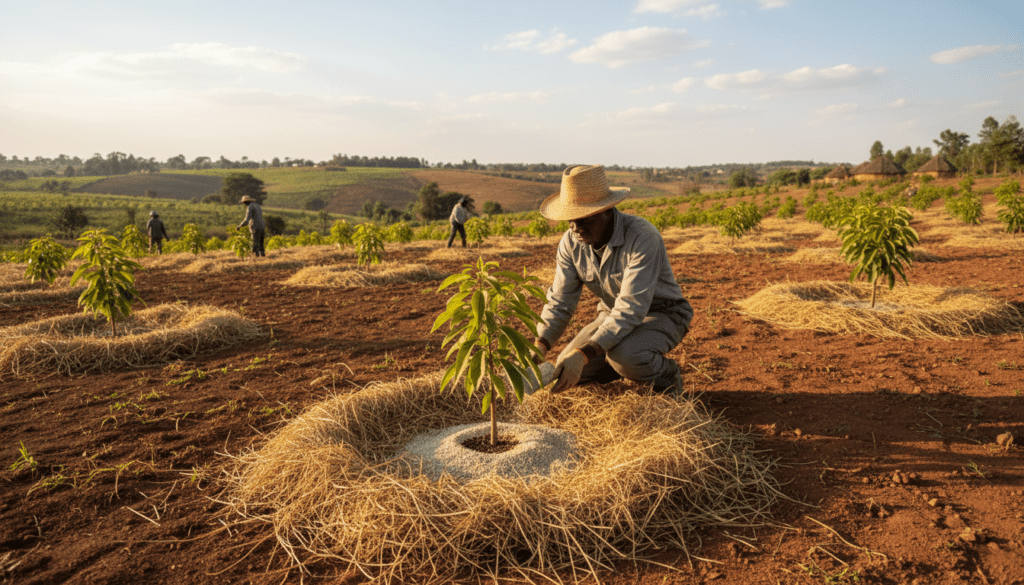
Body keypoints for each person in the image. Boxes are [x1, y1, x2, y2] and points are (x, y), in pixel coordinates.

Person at [533, 165, 693, 395]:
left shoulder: (642, 237)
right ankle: (616, 367)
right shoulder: (570, 243)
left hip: (662, 313)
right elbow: (560, 301)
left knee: (625, 356)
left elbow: (631, 308)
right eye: (570, 219)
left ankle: (667, 379)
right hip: (610, 314)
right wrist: (541, 344)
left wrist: (584, 354)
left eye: (584, 218)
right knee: (565, 364)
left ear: (608, 210)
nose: (575, 227)